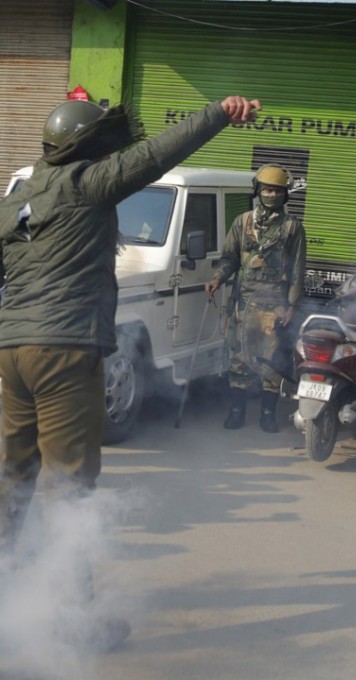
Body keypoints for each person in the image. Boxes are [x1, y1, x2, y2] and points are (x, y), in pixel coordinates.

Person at [0, 95, 261, 650]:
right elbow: (157, 155)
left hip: (13, 349)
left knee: (13, 473)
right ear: (87, 146)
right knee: (69, 482)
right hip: (64, 348)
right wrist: (219, 113)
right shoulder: (85, 183)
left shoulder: (19, 196)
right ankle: (75, 622)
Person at [205, 164, 307, 433]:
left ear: (285, 194)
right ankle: (236, 412)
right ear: (258, 191)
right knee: (239, 357)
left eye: (277, 191)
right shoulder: (242, 222)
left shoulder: (292, 227)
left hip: (274, 305)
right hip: (244, 302)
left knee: (270, 359)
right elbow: (229, 258)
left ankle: (267, 415)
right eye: (268, 190)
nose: (272, 195)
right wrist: (217, 278)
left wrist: (291, 306)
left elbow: (297, 271)